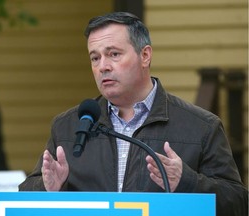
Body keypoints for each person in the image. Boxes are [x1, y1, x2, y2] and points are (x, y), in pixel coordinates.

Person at [19, 12, 248, 215]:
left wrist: (187, 182)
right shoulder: (69, 126)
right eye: (95, 57)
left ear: (145, 56)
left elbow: (238, 203)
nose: (103, 66)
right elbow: (24, 195)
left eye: (114, 54)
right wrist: (49, 188)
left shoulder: (201, 127)